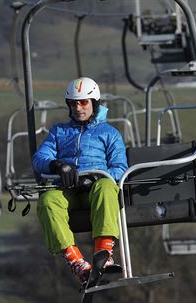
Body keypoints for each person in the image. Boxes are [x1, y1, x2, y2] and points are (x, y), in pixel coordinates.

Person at [32, 77, 128, 284]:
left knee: (106, 187)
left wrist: (95, 177)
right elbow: (39, 158)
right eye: (74, 103)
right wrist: (56, 165)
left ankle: (104, 254)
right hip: (69, 192)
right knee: (48, 200)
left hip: (95, 191)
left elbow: (120, 168)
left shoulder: (109, 133)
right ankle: (76, 261)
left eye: (84, 102)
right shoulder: (59, 131)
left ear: (94, 103)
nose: (78, 107)